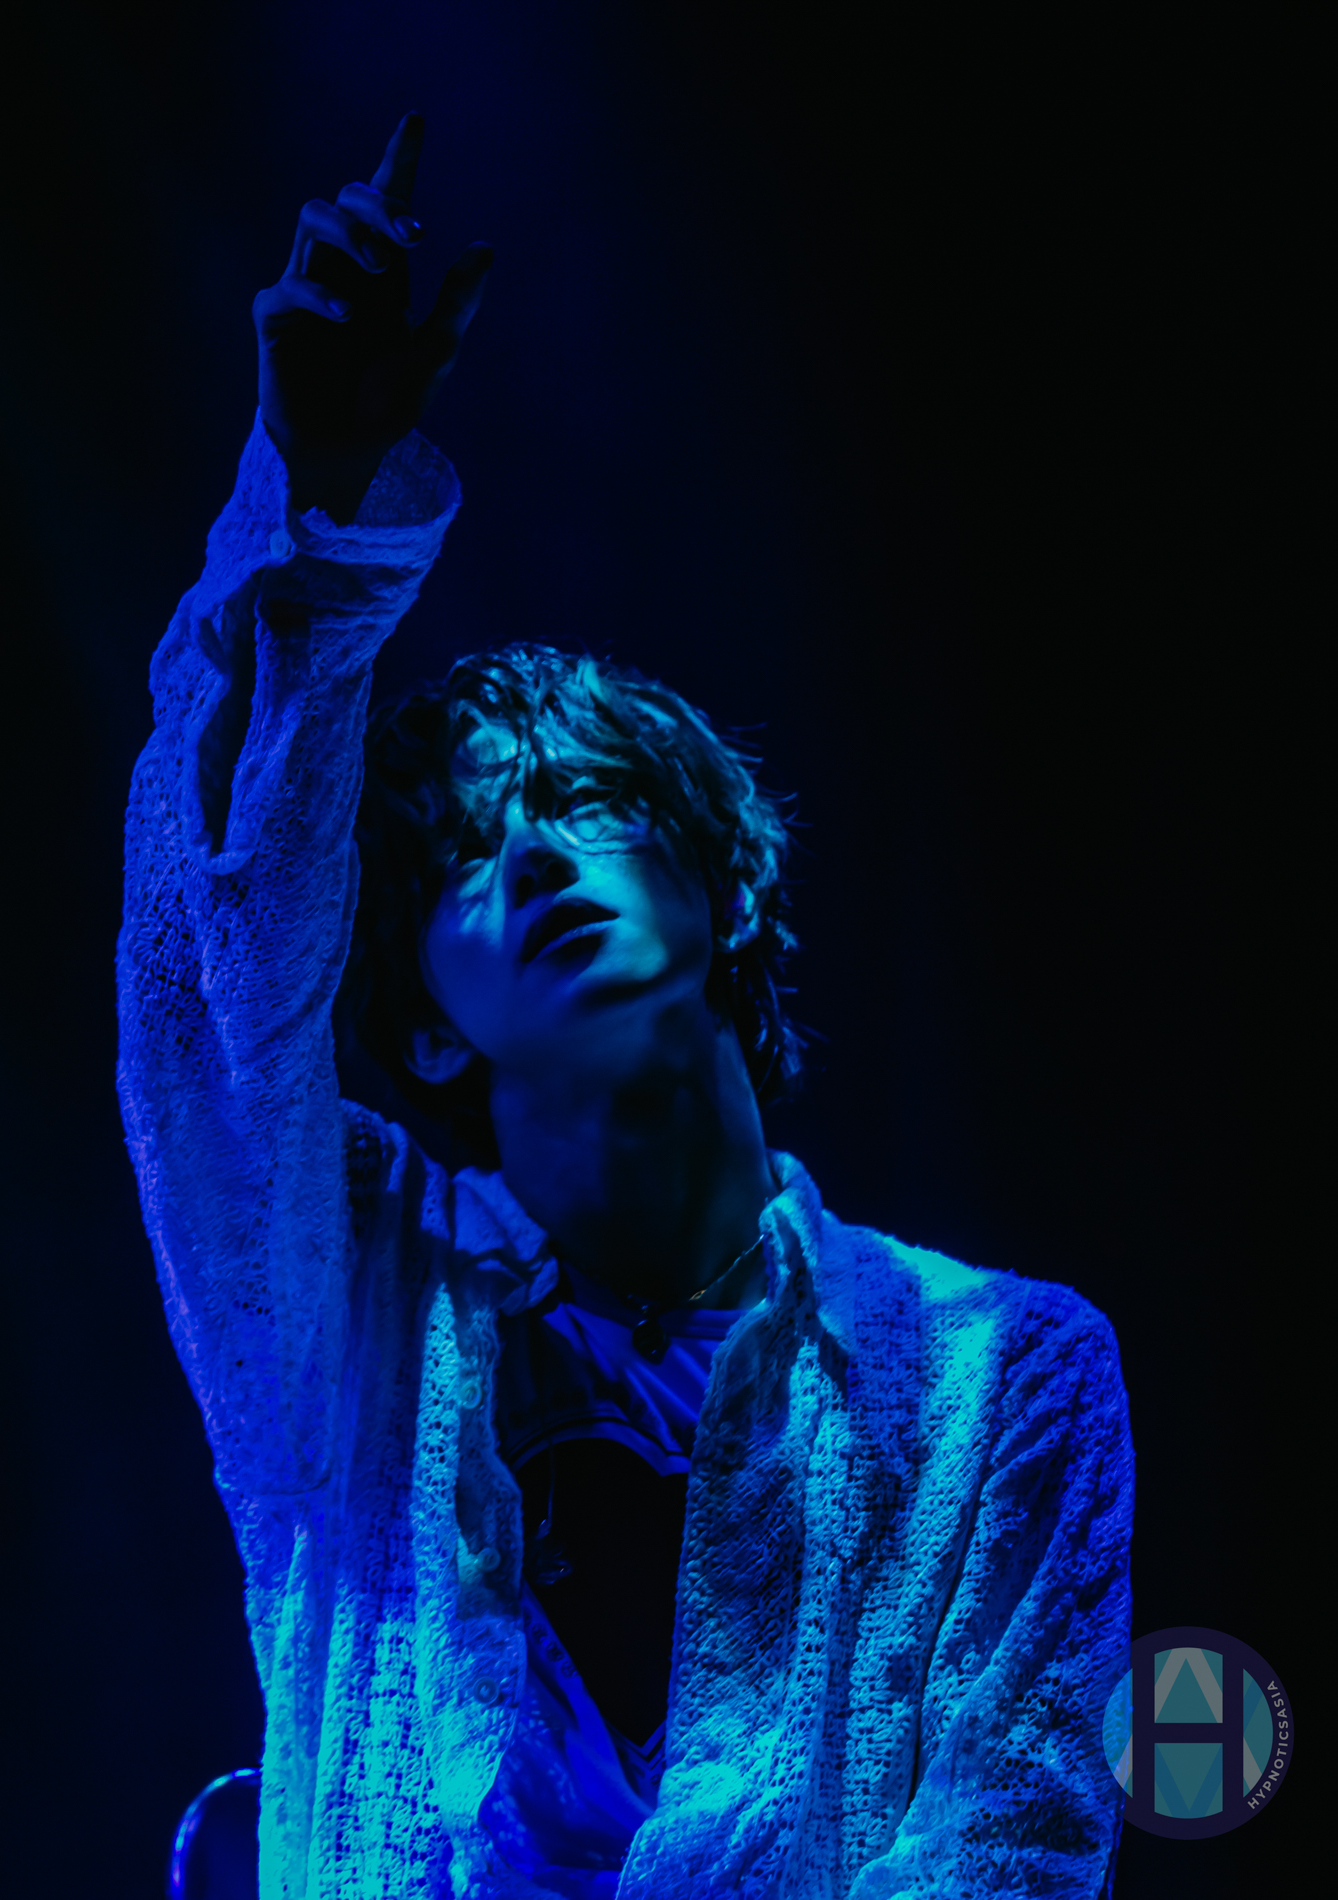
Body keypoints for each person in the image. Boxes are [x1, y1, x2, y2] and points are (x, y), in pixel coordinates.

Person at [118, 113, 1133, 1899]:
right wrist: (316, 512)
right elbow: (205, 988)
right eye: (463, 858)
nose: (529, 856)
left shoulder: (1002, 1368)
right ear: (424, 1023)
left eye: (583, 802)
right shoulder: (341, 1300)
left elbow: (1014, 1848)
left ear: (724, 881)